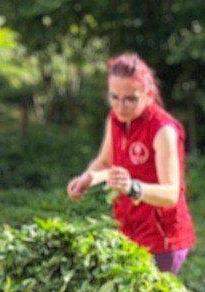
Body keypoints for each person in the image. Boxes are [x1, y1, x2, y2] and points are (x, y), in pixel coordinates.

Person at [66, 53, 196, 273]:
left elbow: (171, 194)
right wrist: (88, 177)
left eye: (130, 99)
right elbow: (106, 162)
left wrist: (131, 187)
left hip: (162, 239)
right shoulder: (115, 118)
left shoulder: (163, 130)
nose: (121, 106)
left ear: (149, 94)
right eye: (114, 97)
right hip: (128, 231)